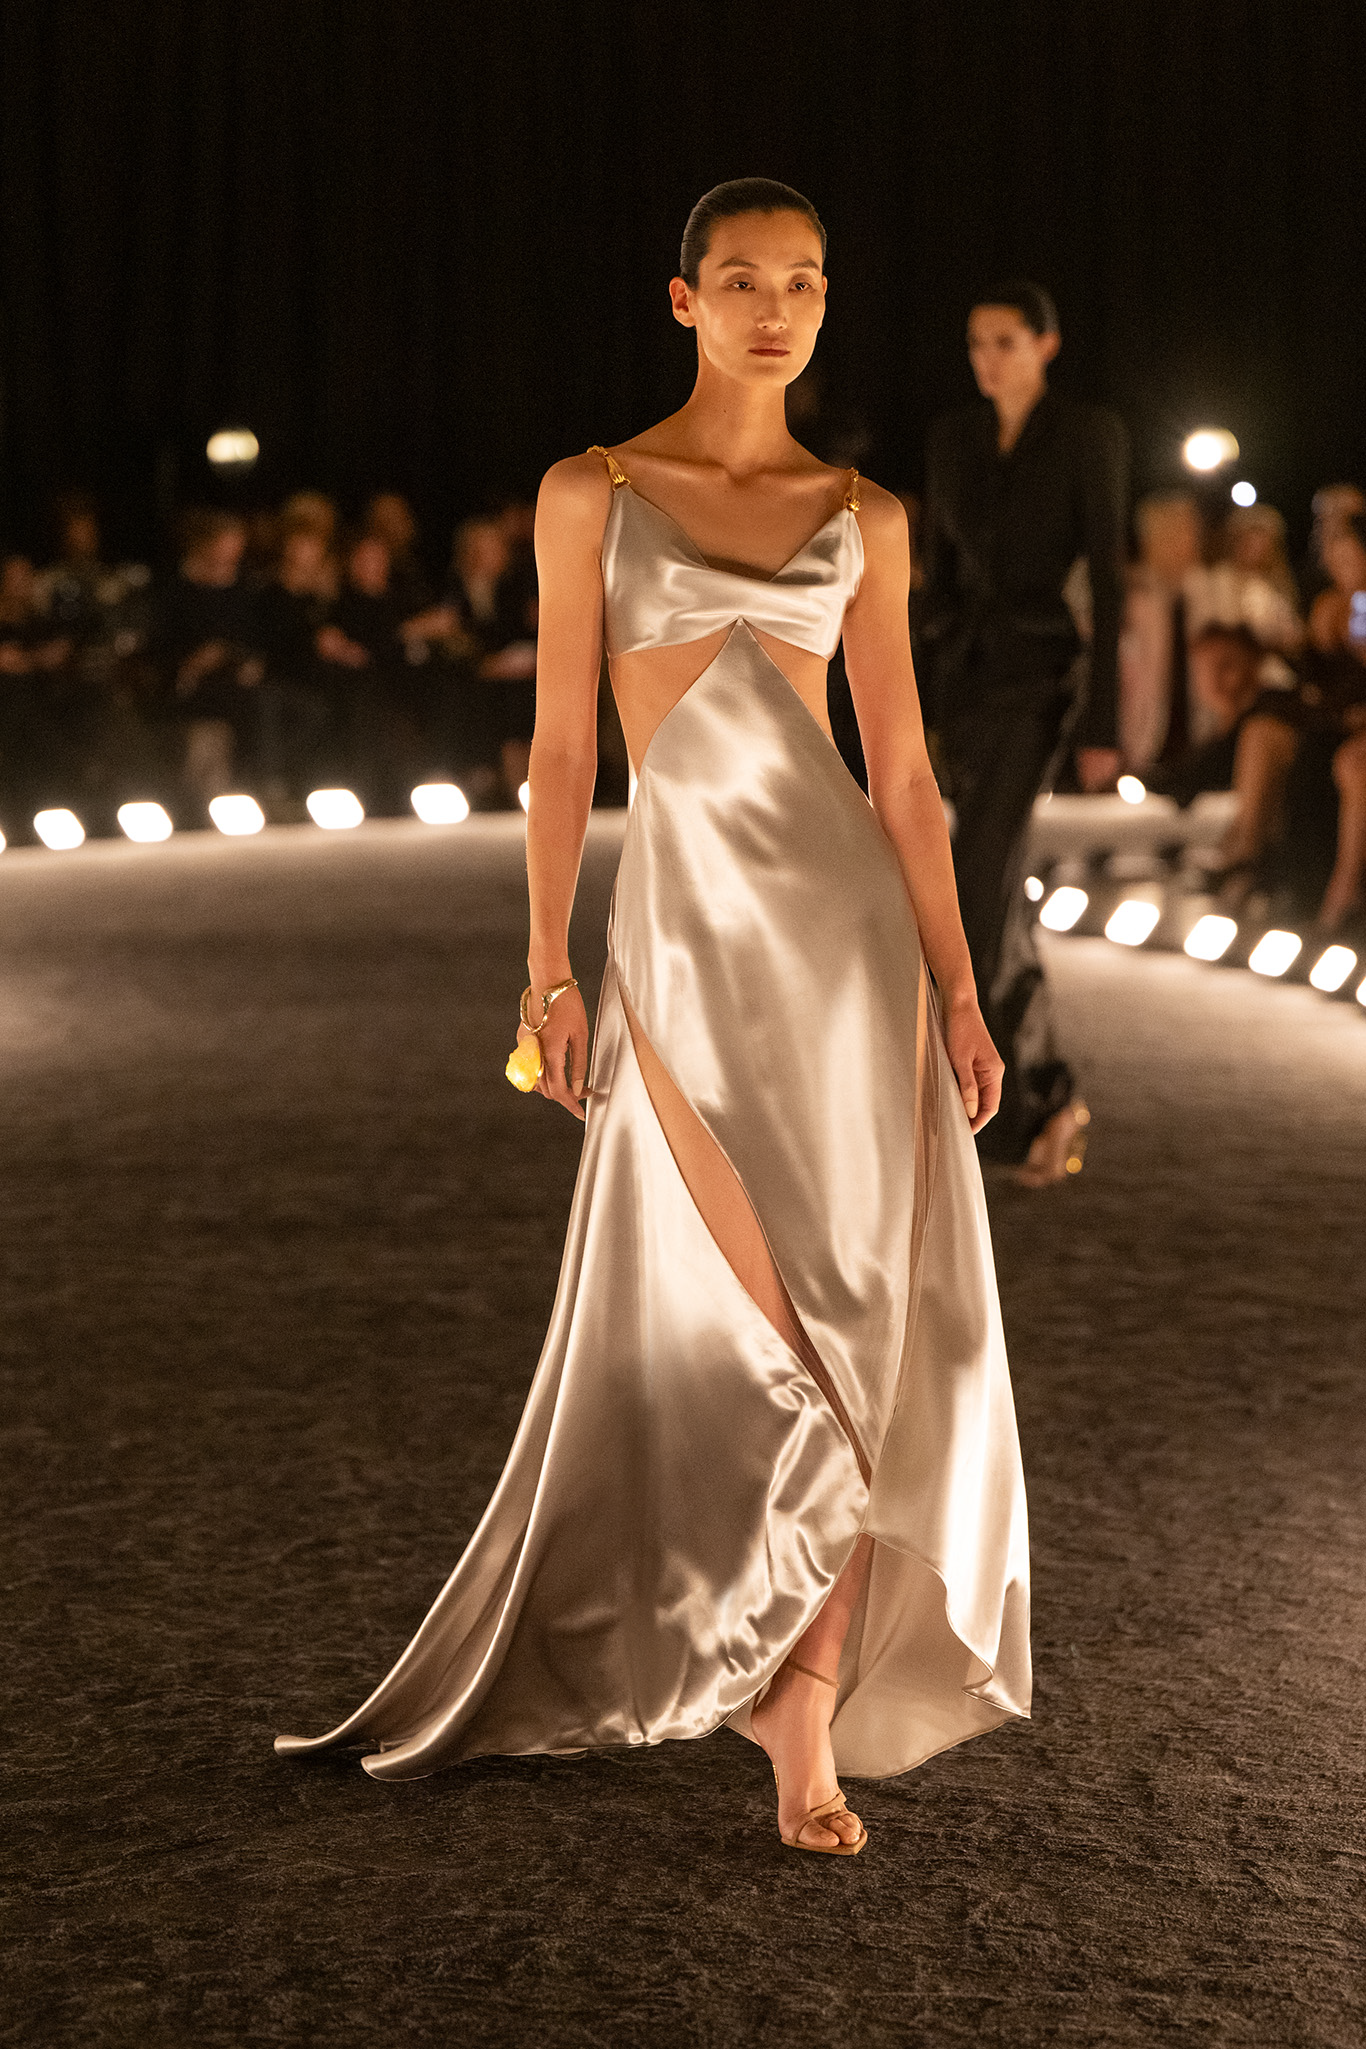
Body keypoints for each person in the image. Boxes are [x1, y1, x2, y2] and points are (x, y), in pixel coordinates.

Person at [276, 180, 1030, 1857]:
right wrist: (544, 965)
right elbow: (560, 749)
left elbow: (906, 776)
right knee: (767, 1324)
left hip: (854, 956)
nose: (776, 310)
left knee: (872, 1335)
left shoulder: (867, 514)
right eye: (741, 281)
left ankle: (800, 1710)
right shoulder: (593, 492)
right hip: (684, 948)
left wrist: (962, 990)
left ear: (827, 304)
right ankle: (727, 1642)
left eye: (804, 284)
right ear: (682, 300)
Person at [918, 282, 1128, 1185]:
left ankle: (1029, 1094)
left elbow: (1110, 579)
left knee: (978, 885)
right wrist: (917, 698)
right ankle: (1041, 1102)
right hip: (964, 680)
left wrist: (1104, 718)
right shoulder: (953, 438)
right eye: (976, 342)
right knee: (993, 888)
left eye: (1006, 340)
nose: (987, 359)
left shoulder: (1088, 435)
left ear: (1047, 344)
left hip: (1042, 678)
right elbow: (939, 577)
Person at [1218, 508, 1366, 929]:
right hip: (1331, 715)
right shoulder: (1330, 602)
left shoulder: (1359, 607)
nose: (1338, 560)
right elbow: (1314, 674)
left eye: (1348, 553)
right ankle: (1247, 850)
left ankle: (1345, 888)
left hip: (1353, 720)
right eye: (1335, 552)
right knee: (1262, 728)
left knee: (1351, 764)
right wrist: (1299, 642)